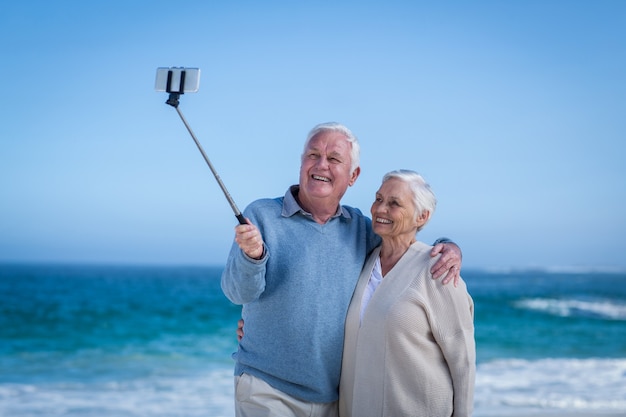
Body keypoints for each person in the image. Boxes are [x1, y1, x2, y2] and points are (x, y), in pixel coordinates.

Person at [221, 122, 463, 417]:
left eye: (334, 159)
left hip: (336, 399)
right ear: (301, 163)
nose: (321, 165)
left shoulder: (361, 228)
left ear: (353, 176)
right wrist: (253, 255)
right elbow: (237, 293)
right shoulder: (261, 215)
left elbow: (405, 239)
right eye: (313, 155)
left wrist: (448, 245)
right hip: (266, 387)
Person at [339, 169, 475, 417]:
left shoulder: (439, 270)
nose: (380, 209)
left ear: (421, 217)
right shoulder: (363, 261)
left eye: (394, 204)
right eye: (378, 199)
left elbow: (463, 362)